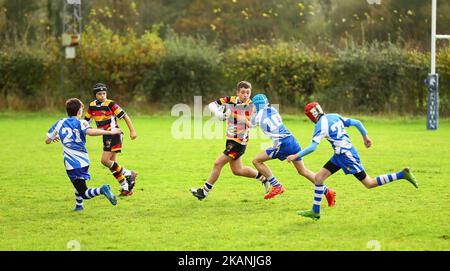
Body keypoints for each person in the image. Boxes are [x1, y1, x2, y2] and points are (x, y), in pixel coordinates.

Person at [287, 102, 419, 220]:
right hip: (340, 155)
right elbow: (357, 122)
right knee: (319, 178)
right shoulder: (334, 116)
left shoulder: (320, 126)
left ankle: (402, 175)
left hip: (347, 156)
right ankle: (315, 211)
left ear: (311, 116)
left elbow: (313, 147)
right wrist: (365, 137)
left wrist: (295, 155)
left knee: (369, 183)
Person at [250, 94, 336, 205]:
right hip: (292, 140)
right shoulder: (272, 109)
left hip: (282, 144)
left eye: (254, 105)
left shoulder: (258, 115)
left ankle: (276, 186)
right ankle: (328, 191)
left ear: (257, 105)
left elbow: (249, 124)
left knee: (256, 160)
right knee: (302, 171)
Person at [190, 81, 268, 200]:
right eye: (243, 92)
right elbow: (212, 104)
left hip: (239, 142)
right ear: (237, 93)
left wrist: (229, 114)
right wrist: (219, 114)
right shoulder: (231, 100)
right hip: (230, 139)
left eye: (248, 92)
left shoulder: (251, 106)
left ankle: (203, 192)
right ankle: (263, 178)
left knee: (218, 163)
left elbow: (251, 123)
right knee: (237, 170)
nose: (246, 95)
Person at [45, 98, 121, 211]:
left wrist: (56, 136)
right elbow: (91, 132)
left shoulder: (60, 122)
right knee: (78, 182)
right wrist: (109, 132)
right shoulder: (82, 122)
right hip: (84, 161)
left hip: (72, 163)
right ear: (79, 111)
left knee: (84, 192)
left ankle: (102, 190)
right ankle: (79, 206)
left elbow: (47, 140)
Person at [85, 83, 138, 196]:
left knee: (105, 161)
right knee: (112, 164)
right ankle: (126, 188)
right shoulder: (91, 106)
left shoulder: (111, 104)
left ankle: (129, 173)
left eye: (104, 93)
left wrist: (132, 131)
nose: (102, 96)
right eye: (99, 94)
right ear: (95, 95)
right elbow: (86, 122)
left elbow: (125, 116)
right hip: (106, 135)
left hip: (115, 134)